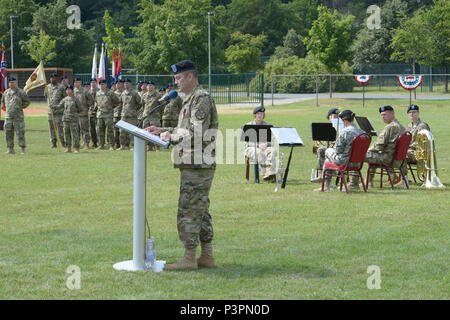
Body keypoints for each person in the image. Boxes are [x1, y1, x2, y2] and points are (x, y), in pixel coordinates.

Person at [144, 60, 218, 271]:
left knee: (189, 209)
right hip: (193, 163)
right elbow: (185, 129)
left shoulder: (200, 99)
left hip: (198, 164)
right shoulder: (190, 99)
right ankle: (206, 256)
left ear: (190, 77)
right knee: (201, 209)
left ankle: (189, 258)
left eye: (178, 78)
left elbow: (197, 132)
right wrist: (162, 130)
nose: (175, 82)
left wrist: (172, 135)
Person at [314, 110, 364, 192]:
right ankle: (346, 183)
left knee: (328, 151)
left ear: (343, 120)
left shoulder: (345, 132)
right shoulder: (362, 132)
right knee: (328, 157)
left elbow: (338, 150)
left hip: (344, 162)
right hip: (357, 163)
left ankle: (326, 185)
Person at [364, 106, 405, 187]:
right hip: (397, 159)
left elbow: (379, 146)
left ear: (392, 113)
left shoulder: (390, 127)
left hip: (386, 158)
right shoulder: (401, 126)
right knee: (372, 154)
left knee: (358, 155)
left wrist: (366, 150)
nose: (383, 117)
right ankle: (369, 181)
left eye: (385, 114)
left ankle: (353, 183)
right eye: (381, 115)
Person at [244, 106, 278, 182]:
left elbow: (273, 139)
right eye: (258, 113)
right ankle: (266, 174)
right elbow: (247, 142)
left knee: (273, 151)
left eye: (262, 114)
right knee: (259, 152)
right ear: (254, 115)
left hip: (265, 147)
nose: (260, 115)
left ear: (264, 115)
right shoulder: (248, 125)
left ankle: (270, 173)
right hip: (251, 148)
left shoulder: (267, 126)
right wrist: (258, 145)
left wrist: (266, 144)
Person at [1, 77, 30, 154]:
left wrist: (20, 107)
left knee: (20, 133)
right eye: (10, 82)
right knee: (8, 133)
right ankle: (10, 149)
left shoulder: (21, 92)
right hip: (8, 117)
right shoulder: (6, 93)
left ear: (15, 83)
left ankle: (22, 149)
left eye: (13, 82)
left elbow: (27, 101)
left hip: (18, 117)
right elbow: (3, 102)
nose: (11, 84)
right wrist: (5, 109)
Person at [311, 108, 339, 183]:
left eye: (337, 117)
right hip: (329, 149)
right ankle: (320, 175)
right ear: (329, 117)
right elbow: (315, 149)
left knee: (322, 150)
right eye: (334, 116)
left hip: (338, 150)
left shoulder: (341, 127)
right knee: (320, 150)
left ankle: (329, 172)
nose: (336, 118)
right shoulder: (324, 128)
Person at [96, 79, 120, 150]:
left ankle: (112, 145)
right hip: (100, 114)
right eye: (100, 84)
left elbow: (117, 101)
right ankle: (101, 145)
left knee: (110, 130)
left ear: (106, 85)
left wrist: (110, 108)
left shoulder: (110, 93)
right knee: (100, 130)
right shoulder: (98, 93)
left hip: (108, 115)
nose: (102, 85)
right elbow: (96, 102)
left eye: (103, 84)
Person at [119, 78, 142, 150]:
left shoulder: (134, 93)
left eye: (127, 83)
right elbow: (121, 103)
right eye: (125, 83)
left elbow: (140, 103)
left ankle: (133, 146)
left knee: (132, 132)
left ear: (130, 84)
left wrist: (134, 110)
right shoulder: (123, 93)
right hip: (123, 115)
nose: (125, 84)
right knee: (122, 131)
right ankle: (123, 146)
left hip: (132, 116)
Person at [58, 85, 82, 153]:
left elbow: (80, 108)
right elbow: (59, 106)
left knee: (74, 134)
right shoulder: (65, 99)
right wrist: (53, 106)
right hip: (66, 119)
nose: (68, 91)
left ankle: (76, 148)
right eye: (67, 90)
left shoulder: (75, 99)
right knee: (66, 133)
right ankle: (68, 148)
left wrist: (75, 114)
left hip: (73, 120)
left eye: (69, 90)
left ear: (72, 91)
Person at [46, 73, 66, 148]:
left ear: (57, 79)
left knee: (60, 128)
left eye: (54, 78)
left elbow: (65, 98)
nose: (52, 79)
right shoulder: (47, 87)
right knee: (51, 128)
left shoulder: (61, 87)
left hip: (59, 112)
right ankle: (53, 143)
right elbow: (46, 96)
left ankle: (63, 142)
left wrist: (59, 106)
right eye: (51, 78)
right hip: (50, 112)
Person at [74, 77, 94, 149]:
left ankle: (86, 144)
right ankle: (77, 144)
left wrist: (87, 107)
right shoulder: (73, 91)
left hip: (83, 114)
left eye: (77, 82)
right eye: (75, 82)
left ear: (80, 83)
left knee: (84, 130)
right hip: (75, 114)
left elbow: (91, 101)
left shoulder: (85, 91)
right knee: (76, 130)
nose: (75, 83)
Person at [142, 81, 161, 151]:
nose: (149, 87)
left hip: (155, 116)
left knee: (155, 132)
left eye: (151, 85)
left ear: (154, 86)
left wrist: (158, 113)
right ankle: (149, 146)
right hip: (146, 116)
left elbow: (161, 106)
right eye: (148, 85)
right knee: (146, 131)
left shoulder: (158, 95)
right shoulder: (144, 95)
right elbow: (142, 104)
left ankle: (157, 147)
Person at [113, 79, 124, 149]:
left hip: (122, 115)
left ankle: (124, 144)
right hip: (115, 114)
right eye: (117, 83)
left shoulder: (124, 93)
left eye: (119, 83)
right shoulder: (112, 93)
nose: (118, 85)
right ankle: (117, 144)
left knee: (123, 131)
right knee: (116, 131)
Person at [89, 78, 99, 148]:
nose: (92, 84)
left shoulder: (100, 91)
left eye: (94, 82)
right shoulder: (88, 92)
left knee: (99, 128)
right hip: (91, 113)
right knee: (92, 129)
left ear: (96, 83)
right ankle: (94, 142)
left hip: (99, 112)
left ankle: (101, 143)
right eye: (91, 82)